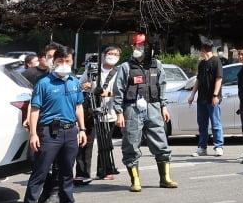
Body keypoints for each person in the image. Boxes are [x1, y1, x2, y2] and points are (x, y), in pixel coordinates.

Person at [21, 46, 88, 203]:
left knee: (67, 172)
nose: (64, 65)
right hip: (49, 132)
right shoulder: (44, 83)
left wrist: (82, 129)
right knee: (40, 173)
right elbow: (35, 109)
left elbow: (79, 107)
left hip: (70, 131)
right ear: (54, 61)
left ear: (72, 62)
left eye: (67, 61)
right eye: (60, 61)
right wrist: (33, 134)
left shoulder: (74, 81)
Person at [113, 33, 178, 192]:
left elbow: (162, 86)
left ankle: (165, 178)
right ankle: (135, 180)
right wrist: (119, 113)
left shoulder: (157, 65)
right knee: (131, 143)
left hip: (153, 107)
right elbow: (118, 91)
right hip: (132, 109)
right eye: (137, 45)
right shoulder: (125, 67)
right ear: (132, 47)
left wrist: (164, 106)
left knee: (161, 141)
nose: (139, 48)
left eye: (143, 45)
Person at [22, 42, 63, 203]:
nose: (52, 60)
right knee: (36, 158)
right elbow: (32, 99)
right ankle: (46, 188)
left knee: (59, 161)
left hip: (60, 124)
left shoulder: (67, 77)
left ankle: (55, 192)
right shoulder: (37, 76)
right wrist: (28, 117)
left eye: (55, 57)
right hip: (42, 122)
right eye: (49, 57)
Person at [76, 45, 121, 183]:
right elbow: (79, 85)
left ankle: (105, 170)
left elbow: (123, 91)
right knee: (86, 143)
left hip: (109, 111)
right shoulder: (91, 70)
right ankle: (82, 173)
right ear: (104, 55)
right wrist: (84, 86)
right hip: (90, 110)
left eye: (116, 54)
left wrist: (108, 94)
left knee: (105, 142)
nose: (112, 56)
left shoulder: (120, 72)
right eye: (110, 53)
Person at [188, 44, 224, 157]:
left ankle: (218, 146)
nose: (199, 52)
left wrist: (215, 95)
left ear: (203, 50)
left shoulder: (216, 61)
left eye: (199, 50)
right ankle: (202, 147)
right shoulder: (202, 63)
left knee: (215, 123)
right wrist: (192, 94)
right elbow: (198, 80)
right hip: (201, 99)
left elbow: (219, 79)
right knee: (202, 125)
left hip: (212, 99)